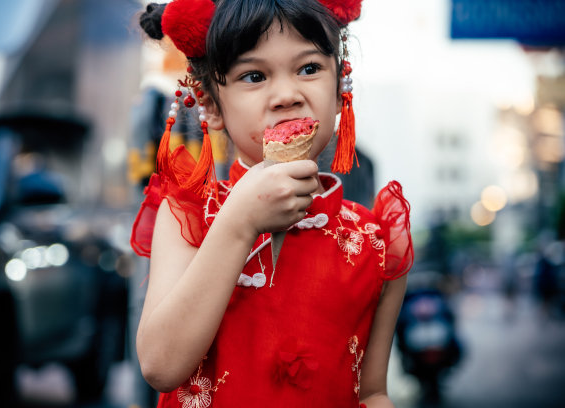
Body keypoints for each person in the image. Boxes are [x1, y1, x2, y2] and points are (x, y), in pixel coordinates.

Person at [130, 0, 413, 407]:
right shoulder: (188, 216)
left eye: (309, 68)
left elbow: (371, 392)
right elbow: (161, 366)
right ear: (211, 105)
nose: (286, 95)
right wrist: (239, 222)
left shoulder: (376, 242)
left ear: (339, 88)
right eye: (254, 75)